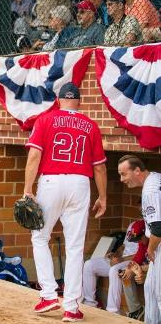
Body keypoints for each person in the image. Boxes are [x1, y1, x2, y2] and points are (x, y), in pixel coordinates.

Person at [23, 82, 107, 322]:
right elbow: (99, 167)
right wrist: (103, 197)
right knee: (75, 247)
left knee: (40, 237)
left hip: (51, 181)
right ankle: (71, 307)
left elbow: (35, 155)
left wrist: (28, 188)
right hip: (81, 184)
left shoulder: (46, 119)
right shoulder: (90, 125)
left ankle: (49, 295)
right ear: (78, 102)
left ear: (58, 100)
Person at [117, 155, 161, 324]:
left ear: (137, 170)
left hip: (158, 244)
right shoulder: (156, 177)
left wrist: (150, 250)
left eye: (124, 174)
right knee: (150, 289)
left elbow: (158, 227)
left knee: (158, 293)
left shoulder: (150, 190)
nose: (121, 179)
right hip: (157, 242)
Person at [82, 221, 140, 314]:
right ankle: (90, 304)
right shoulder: (133, 224)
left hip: (133, 262)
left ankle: (113, 311)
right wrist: (115, 254)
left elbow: (141, 255)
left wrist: (121, 259)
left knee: (115, 270)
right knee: (89, 265)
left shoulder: (149, 228)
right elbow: (124, 246)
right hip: (122, 258)